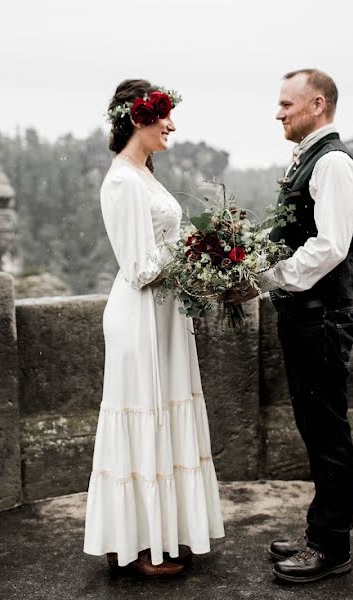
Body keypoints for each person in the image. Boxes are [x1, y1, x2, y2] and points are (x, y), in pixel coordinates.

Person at [82, 79, 225, 578]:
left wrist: (211, 253)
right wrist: (200, 258)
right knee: (145, 414)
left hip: (165, 314)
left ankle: (163, 534)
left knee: (166, 414)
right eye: (164, 115)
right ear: (137, 117)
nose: (172, 124)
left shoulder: (146, 175)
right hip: (140, 314)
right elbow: (140, 267)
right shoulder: (121, 180)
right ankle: (140, 546)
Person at [229, 68, 353, 583]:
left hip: (322, 319)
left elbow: (329, 247)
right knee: (314, 426)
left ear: (319, 104)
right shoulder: (309, 159)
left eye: (288, 103)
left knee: (328, 432)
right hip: (304, 316)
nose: (278, 112)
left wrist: (262, 277)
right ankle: (319, 533)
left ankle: (331, 549)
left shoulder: (332, 164)